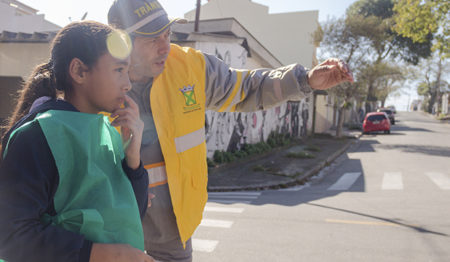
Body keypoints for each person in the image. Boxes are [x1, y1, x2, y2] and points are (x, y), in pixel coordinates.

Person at [107, 0, 354, 261]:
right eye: (152, 39)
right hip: (114, 232)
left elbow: (247, 88)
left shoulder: (189, 67)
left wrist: (306, 80)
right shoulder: (95, 81)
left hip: (174, 229)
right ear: (123, 43)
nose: (165, 46)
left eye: (167, 34)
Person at [0, 21, 155, 262]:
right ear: (79, 71)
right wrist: (106, 254)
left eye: (128, 71)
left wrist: (133, 163)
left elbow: (129, 215)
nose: (128, 83)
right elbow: (11, 237)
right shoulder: (37, 135)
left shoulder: (112, 132)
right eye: (118, 70)